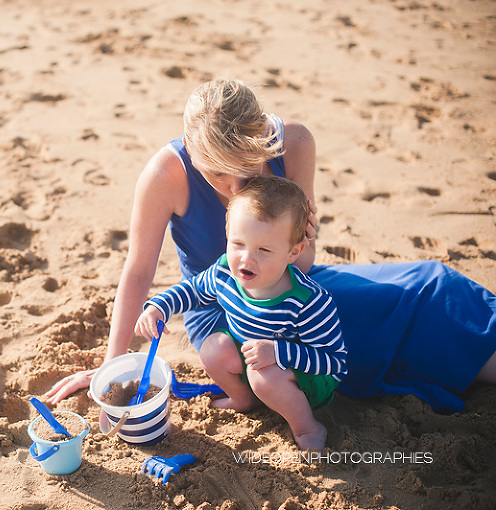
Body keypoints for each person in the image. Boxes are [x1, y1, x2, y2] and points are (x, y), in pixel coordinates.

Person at [45, 79, 496, 415]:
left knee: (425, 286)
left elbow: (304, 264)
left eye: (249, 169)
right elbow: (139, 271)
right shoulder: (166, 174)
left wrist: (303, 238)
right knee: (385, 330)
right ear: (190, 149)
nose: (237, 188)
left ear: (264, 137)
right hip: (221, 309)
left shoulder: (295, 143)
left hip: (292, 290)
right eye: (219, 175)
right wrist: (110, 366)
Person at [135, 175, 347, 450]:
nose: (247, 258)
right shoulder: (225, 272)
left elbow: (334, 362)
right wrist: (158, 306)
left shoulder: (307, 301)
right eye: (238, 244)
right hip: (254, 360)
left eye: (264, 249)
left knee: (264, 376)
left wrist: (278, 353)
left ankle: (307, 427)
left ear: (294, 252)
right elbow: (192, 291)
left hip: (303, 380)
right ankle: (243, 398)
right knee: (213, 348)